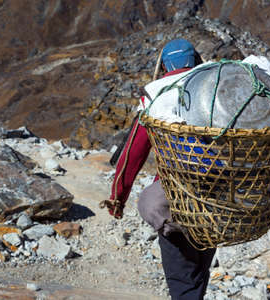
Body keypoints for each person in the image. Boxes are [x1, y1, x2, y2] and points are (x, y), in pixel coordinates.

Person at [101, 39, 215, 300]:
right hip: (217, 197)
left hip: (174, 200)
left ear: (164, 66)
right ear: (195, 60)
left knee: (182, 277)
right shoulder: (214, 89)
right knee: (199, 271)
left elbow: (132, 153)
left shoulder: (156, 96)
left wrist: (118, 198)